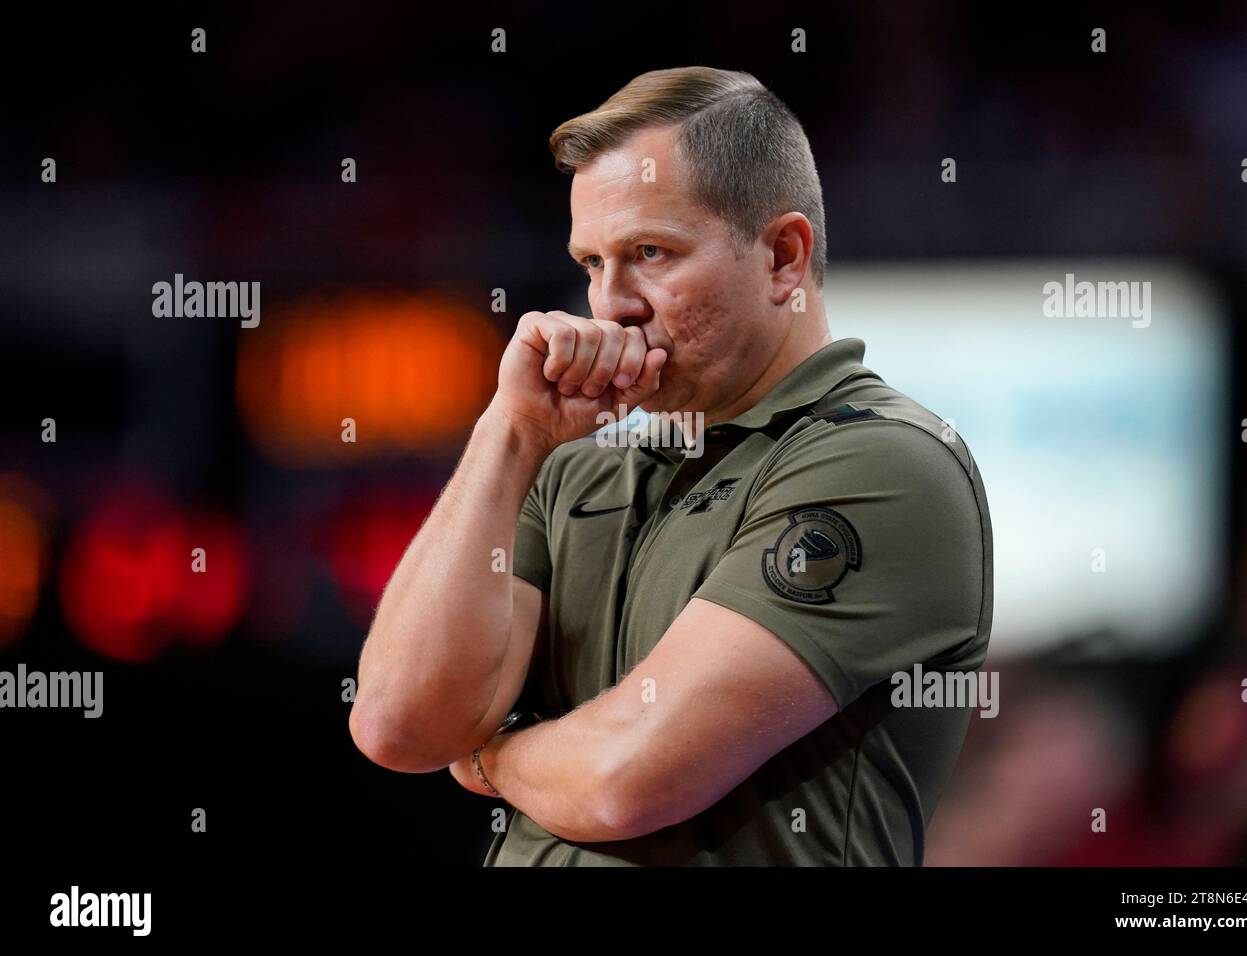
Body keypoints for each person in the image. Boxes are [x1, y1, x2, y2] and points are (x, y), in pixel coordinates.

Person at [348, 66, 994, 866]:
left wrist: (488, 756)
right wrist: (509, 434)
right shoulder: (570, 469)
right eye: (591, 263)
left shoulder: (886, 462)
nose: (610, 303)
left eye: (649, 252)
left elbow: (628, 779)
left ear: (784, 258)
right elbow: (399, 725)